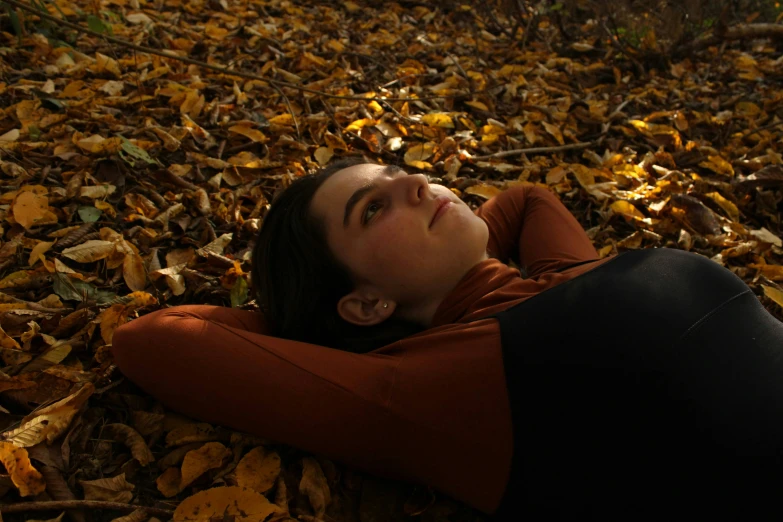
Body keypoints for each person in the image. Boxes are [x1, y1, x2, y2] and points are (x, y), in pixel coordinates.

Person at [112, 157, 783, 520]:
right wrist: (309, 326)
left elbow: (526, 199)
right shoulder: (430, 387)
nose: (410, 179)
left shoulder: (549, 279)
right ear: (366, 303)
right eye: (372, 208)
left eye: (391, 173)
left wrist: (451, 255)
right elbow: (154, 337)